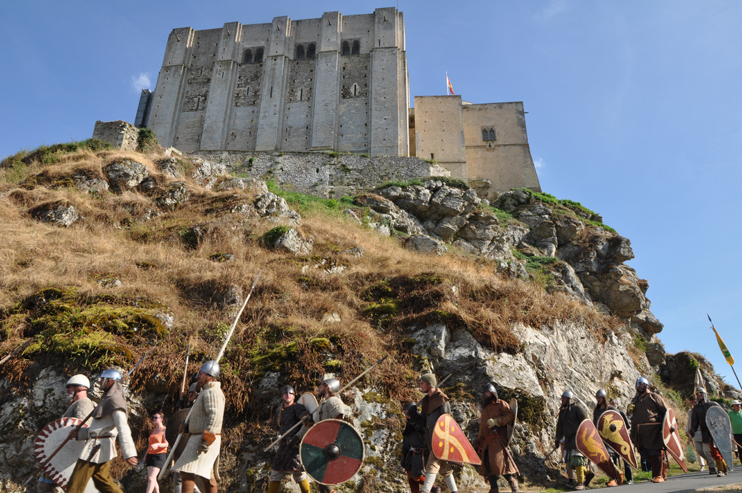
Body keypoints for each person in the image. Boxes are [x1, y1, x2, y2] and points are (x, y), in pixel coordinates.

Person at [66, 369, 138, 493]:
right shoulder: (108, 400)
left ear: (111, 381)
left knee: (75, 485)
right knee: (103, 482)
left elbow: (123, 427)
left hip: (95, 449)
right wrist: (79, 433)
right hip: (100, 447)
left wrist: (129, 452)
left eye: (103, 379)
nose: (100, 382)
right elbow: (99, 429)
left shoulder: (115, 401)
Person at [37, 374, 97, 493]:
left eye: (71, 386)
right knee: (44, 486)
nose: (68, 389)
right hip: (61, 455)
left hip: (70, 458)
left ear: (80, 388)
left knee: (52, 488)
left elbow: (84, 429)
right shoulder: (75, 404)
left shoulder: (84, 404)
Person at [172, 361, 225, 493]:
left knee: (204, 474)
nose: (198, 376)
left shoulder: (213, 392)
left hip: (205, 438)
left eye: (201, 374)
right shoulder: (205, 392)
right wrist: (187, 426)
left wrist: (206, 440)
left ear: (210, 376)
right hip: (196, 438)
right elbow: (201, 418)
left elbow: (215, 417)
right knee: (188, 472)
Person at [297, 378, 350, 493]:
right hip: (321, 444)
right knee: (318, 476)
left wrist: (332, 442)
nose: (318, 387)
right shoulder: (322, 404)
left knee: (314, 470)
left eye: (321, 385)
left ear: (327, 387)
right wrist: (308, 421)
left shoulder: (333, 401)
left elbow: (338, 423)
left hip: (330, 445)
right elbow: (317, 426)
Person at [474, 383, 517, 493]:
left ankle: (512, 481)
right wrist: (479, 440)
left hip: (498, 440)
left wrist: (496, 421)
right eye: (485, 393)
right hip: (486, 441)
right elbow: (482, 427)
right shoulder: (485, 409)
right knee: (488, 465)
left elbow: (510, 416)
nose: (485, 395)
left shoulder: (501, 404)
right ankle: (494, 488)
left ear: (493, 393)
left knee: (499, 464)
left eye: (487, 393)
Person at [267, 385, 311, 493]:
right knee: (275, 474)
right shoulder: (281, 411)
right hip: (282, 448)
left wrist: (297, 437)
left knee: (299, 474)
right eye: (285, 393)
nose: (287, 395)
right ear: (282, 395)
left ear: (294, 396)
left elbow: (307, 423)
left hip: (293, 447)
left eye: (290, 393)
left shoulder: (297, 407)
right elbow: (279, 427)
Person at [418, 373, 457, 493]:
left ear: (429, 385)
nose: (420, 385)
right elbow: (423, 422)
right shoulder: (427, 401)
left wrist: (444, 439)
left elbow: (447, 422)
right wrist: (413, 414)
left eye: (422, 383)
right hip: (430, 437)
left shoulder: (442, 399)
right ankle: (455, 491)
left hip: (440, 438)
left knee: (431, 465)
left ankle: (425, 491)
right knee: (445, 469)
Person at [630, 377, 668, 483]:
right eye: (638, 384)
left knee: (654, 452)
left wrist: (665, 427)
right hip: (639, 431)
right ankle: (662, 466)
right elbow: (632, 416)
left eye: (641, 384)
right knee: (644, 453)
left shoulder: (654, 397)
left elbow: (665, 412)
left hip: (653, 430)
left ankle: (658, 475)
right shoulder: (635, 400)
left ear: (647, 385)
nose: (639, 386)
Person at [555, 390, 591, 490]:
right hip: (567, 440)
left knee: (578, 460)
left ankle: (580, 483)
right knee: (569, 462)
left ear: (569, 399)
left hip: (577, 438)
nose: (562, 400)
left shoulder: (577, 409)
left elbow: (585, 422)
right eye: (562, 398)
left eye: (564, 398)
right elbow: (560, 427)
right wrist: (558, 439)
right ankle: (580, 477)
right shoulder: (562, 412)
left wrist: (585, 437)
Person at [689, 387, 728, 477]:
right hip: (705, 432)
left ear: (705, 394)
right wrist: (693, 429)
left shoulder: (713, 404)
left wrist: (720, 427)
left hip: (716, 431)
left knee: (716, 451)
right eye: (698, 394)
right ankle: (722, 467)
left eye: (701, 393)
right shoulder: (696, 408)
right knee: (708, 451)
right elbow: (695, 421)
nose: (700, 395)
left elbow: (722, 416)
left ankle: (721, 469)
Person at [591, 390, 624, 487]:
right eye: (597, 398)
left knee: (608, 458)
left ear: (604, 398)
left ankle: (612, 479)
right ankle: (618, 472)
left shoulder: (610, 409)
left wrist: (614, 428)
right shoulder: (596, 411)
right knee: (603, 460)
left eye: (600, 398)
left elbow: (618, 418)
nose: (598, 399)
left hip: (609, 438)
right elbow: (594, 424)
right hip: (600, 438)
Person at [401, 402, 427, 493]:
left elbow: (425, 431)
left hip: (418, 454)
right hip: (409, 454)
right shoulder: (409, 424)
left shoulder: (419, 422)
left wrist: (416, 425)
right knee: (411, 478)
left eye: (406, 413)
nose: (405, 416)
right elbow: (407, 439)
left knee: (417, 477)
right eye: (404, 413)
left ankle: (434, 488)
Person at [607, 398, 633, 484]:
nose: (612, 405)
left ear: (617, 405)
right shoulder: (608, 415)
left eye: (614, 403)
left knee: (626, 459)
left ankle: (629, 479)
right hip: (612, 440)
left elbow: (627, 427)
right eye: (610, 403)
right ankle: (615, 479)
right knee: (613, 460)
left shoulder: (621, 413)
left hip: (621, 439)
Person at [145, 412, 168, 493]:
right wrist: (145, 456)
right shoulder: (153, 430)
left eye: (156, 417)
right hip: (150, 455)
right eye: (153, 417)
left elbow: (166, 444)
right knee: (152, 479)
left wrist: (157, 445)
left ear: (161, 419)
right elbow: (150, 445)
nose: (154, 419)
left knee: (151, 478)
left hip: (159, 456)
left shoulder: (164, 430)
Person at [685, 396, 709, 472]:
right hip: (695, 432)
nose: (693, 403)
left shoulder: (703, 409)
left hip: (703, 432)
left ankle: (710, 462)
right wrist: (687, 431)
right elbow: (689, 421)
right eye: (692, 402)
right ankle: (703, 464)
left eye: (694, 402)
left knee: (706, 449)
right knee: (699, 450)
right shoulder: (691, 411)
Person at [729, 400, 742, 464]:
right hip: (736, 434)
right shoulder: (730, 414)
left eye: (739, 405)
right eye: (737, 405)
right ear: (733, 406)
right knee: (740, 448)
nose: (739, 406)